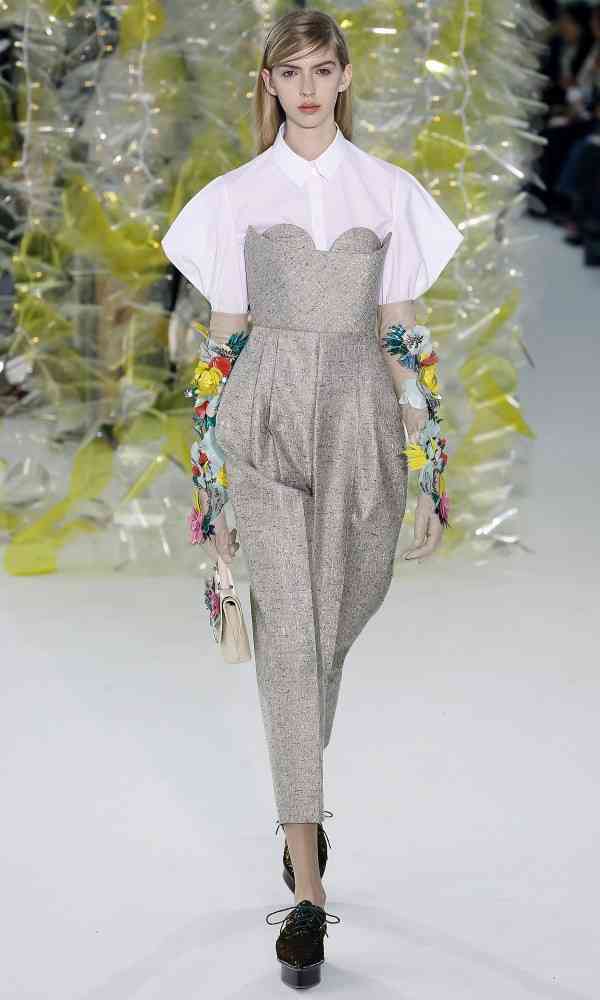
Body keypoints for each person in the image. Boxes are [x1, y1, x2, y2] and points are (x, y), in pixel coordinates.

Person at [161, 9, 463, 988]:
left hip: (362, 422)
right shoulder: (234, 197)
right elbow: (224, 337)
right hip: (264, 418)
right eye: (287, 71)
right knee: (289, 639)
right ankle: (307, 891)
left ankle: (301, 800)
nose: (305, 87)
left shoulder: (390, 190)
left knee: (333, 626)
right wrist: (209, 480)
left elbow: (403, 329)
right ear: (267, 82)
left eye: (320, 69)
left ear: (343, 77)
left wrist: (429, 458)